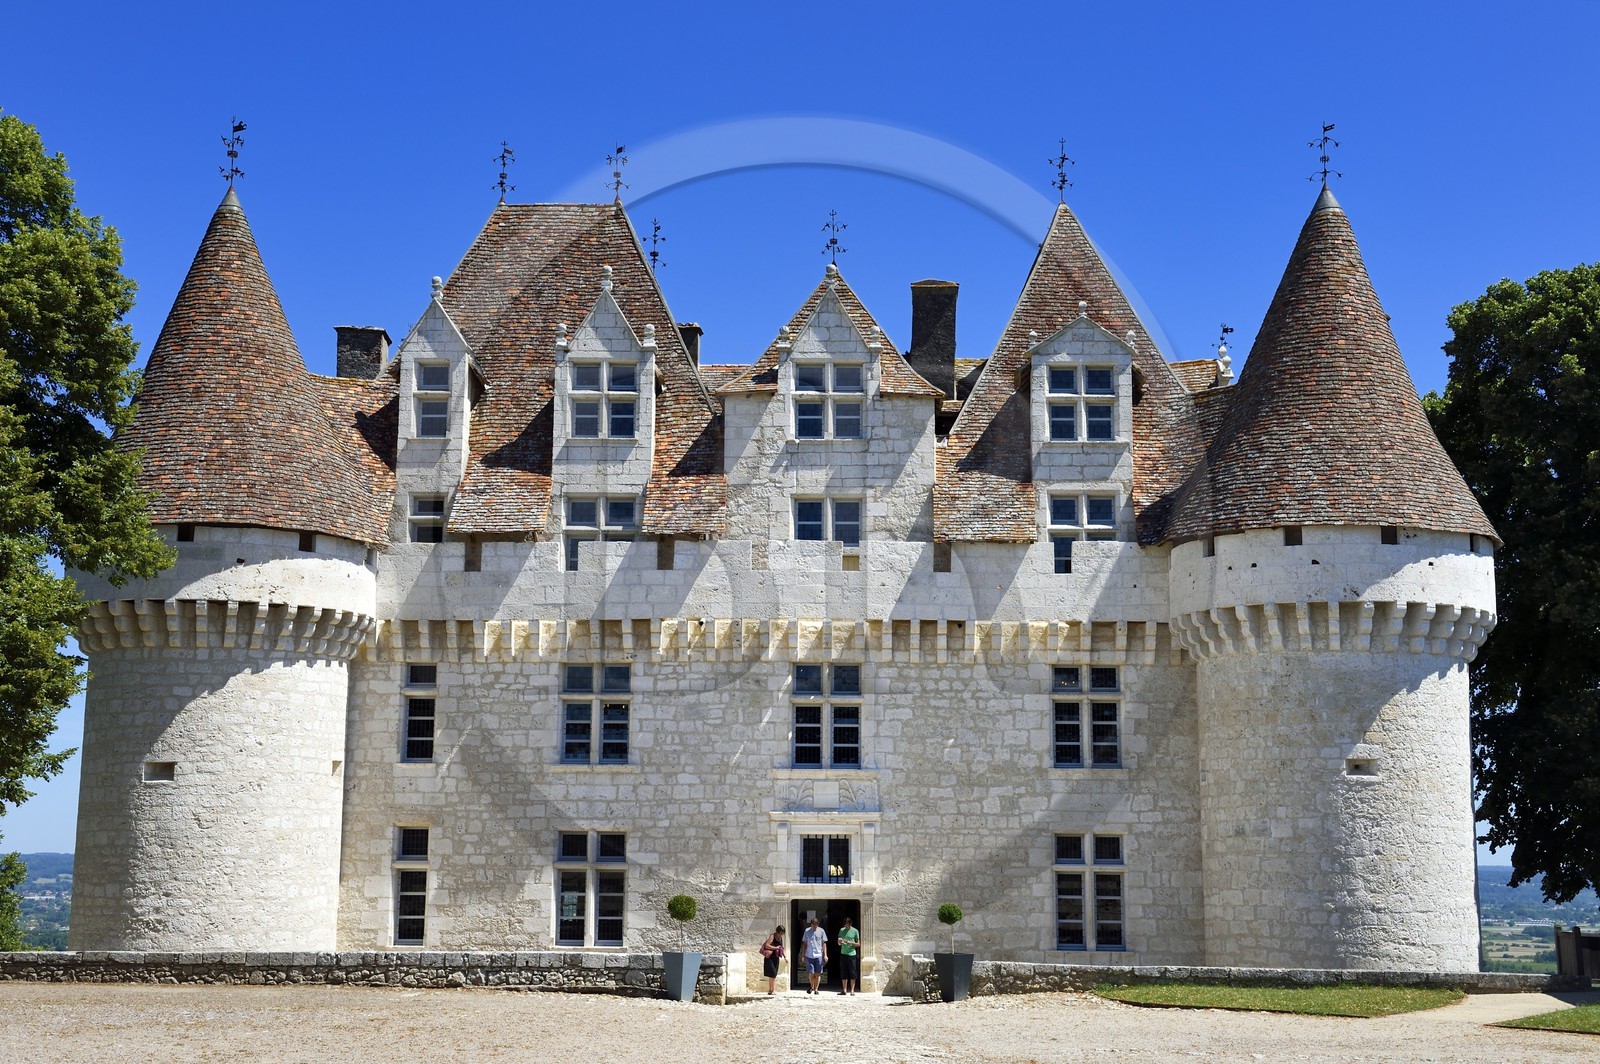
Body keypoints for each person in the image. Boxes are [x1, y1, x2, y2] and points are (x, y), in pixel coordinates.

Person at [801, 916, 828, 994]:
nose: (814, 927)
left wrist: (825, 955)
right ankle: (812, 986)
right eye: (813, 925)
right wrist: (803, 955)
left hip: (818, 954)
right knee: (811, 972)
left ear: (818, 924)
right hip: (809, 955)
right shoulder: (807, 931)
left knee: (818, 972)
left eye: (816, 925)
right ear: (811, 924)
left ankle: (816, 989)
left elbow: (824, 943)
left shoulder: (821, 931)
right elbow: (805, 943)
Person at [836, 916, 860, 995]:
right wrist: (839, 941)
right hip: (843, 954)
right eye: (845, 925)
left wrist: (850, 943)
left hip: (852, 954)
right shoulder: (842, 930)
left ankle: (852, 990)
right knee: (844, 972)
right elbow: (839, 943)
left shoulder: (855, 931)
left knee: (852, 972)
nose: (846, 926)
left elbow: (858, 944)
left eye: (847, 925)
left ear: (850, 924)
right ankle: (844, 990)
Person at [760, 924, 786, 995]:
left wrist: (785, 956)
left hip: (776, 957)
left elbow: (781, 947)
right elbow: (767, 945)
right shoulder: (772, 936)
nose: (781, 935)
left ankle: (770, 990)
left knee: (774, 974)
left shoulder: (780, 938)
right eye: (781, 933)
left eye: (782, 933)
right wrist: (776, 948)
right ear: (778, 931)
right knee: (772, 974)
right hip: (770, 958)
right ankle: (772, 990)